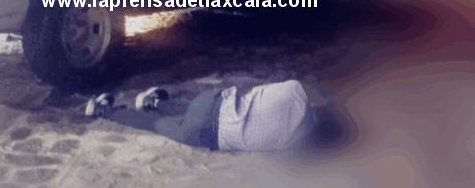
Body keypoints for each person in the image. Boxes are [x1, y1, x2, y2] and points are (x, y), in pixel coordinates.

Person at [85, 80, 346, 152]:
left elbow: (257, 90)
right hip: (208, 135)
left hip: (214, 104)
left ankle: (155, 101)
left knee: (201, 107)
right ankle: (103, 110)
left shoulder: (295, 90)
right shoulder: (298, 143)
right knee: (154, 125)